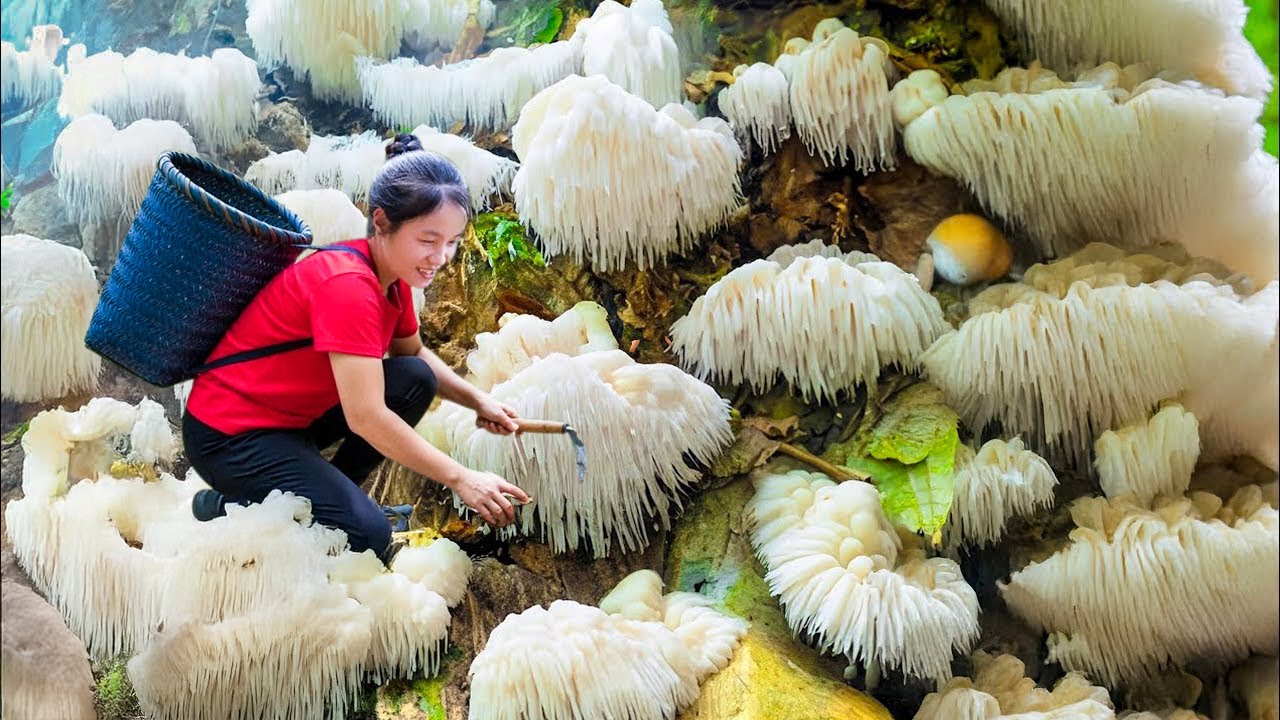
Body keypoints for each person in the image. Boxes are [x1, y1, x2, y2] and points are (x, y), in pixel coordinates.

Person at [181, 133, 530, 563]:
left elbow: (414, 356)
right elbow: (366, 417)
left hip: (289, 424)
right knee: (367, 537)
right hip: (230, 437)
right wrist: (461, 479)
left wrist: (479, 402)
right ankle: (234, 506)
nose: (441, 256)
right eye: (427, 240)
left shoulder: (393, 279)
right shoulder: (347, 285)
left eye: (452, 241)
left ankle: (332, 503)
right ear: (381, 222)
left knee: (413, 380)